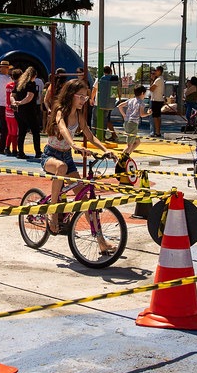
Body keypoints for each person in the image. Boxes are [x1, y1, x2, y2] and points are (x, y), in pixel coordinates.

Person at [42, 78, 115, 245]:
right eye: (80, 96)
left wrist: (105, 150)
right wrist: (73, 144)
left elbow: (90, 136)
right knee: (61, 167)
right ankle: (53, 212)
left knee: (85, 201)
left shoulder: (80, 114)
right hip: (51, 155)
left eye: (86, 97)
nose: (84, 100)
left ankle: (101, 241)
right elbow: (62, 128)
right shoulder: (60, 110)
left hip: (67, 157)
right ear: (70, 95)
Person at [13, 66, 42, 158]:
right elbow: (29, 97)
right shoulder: (31, 84)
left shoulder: (19, 84)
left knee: (21, 131)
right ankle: (38, 152)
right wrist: (21, 102)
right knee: (35, 131)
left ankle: (20, 152)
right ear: (34, 75)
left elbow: (12, 95)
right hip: (29, 111)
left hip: (19, 111)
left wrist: (15, 102)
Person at [116, 85, 151, 154]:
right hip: (133, 123)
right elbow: (141, 114)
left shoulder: (131, 100)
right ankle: (121, 158)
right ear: (142, 93)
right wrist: (148, 113)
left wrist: (124, 115)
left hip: (126, 122)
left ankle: (127, 155)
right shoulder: (141, 103)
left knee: (137, 142)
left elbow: (119, 106)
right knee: (129, 145)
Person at [2, 69, 21, 156]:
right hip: (14, 109)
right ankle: (14, 149)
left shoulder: (8, 85)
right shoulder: (17, 86)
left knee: (10, 130)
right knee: (15, 132)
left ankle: (7, 147)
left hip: (7, 109)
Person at [149, 65, 166, 137]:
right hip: (159, 99)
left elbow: (151, 89)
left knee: (155, 117)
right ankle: (157, 131)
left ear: (159, 71)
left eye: (156, 71)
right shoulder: (161, 79)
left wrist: (153, 80)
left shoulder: (158, 80)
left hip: (156, 100)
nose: (155, 72)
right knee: (158, 116)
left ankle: (157, 131)